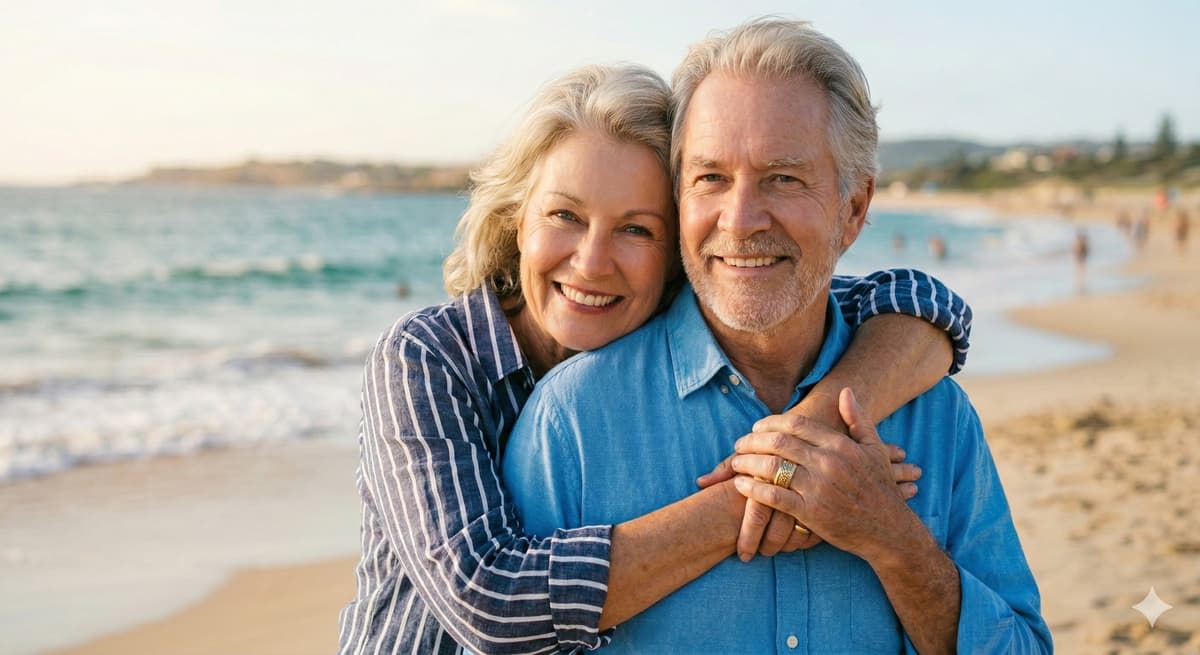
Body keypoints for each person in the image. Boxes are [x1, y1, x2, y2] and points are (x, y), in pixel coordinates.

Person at [337, 64, 974, 654]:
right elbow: (491, 603)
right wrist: (789, 483)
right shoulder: (429, 358)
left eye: (636, 229)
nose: (591, 262)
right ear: (515, 220)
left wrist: (819, 424)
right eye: (565, 215)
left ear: (678, 245)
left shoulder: (662, 331)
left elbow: (919, 303)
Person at [505, 19, 1050, 653]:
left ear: (853, 209)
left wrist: (894, 541)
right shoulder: (570, 421)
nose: (739, 221)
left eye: (783, 178)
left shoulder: (936, 416)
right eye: (711, 177)